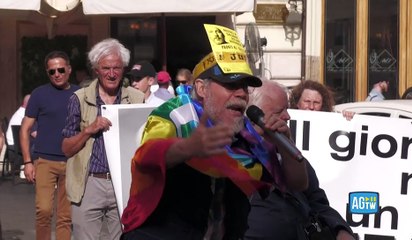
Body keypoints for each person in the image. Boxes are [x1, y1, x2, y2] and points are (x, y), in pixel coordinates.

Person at [120, 51, 308, 240]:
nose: (242, 93)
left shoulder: (247, 135)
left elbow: (298, 183)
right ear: (202, 89)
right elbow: (148, 156)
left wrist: (285, 143)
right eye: (231, 85)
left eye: (244, 87)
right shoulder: (176, 116)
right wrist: (187, 148)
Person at [245, 79, 355, 240]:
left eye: (287, 109)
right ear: (255, 115)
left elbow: (317, 200)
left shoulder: (288, 151)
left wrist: (340, 229)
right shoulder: (235, 151)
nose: (287, 116)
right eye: (279, 111)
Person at [62, 38, 144, 240]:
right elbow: (66, 149)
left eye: (117, 68)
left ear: (123, 69)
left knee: (125, 237)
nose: (112, 73)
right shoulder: (79, 99)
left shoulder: (136, 98)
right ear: (96, 70)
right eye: (106, 68)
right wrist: (89, 130)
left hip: (125, 183)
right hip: (89, 183)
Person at [20, 50, 79, 240]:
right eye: (52, 71)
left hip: (72, 162)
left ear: (69, 69)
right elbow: (25, 129)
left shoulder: (79, 94)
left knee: (65, 216)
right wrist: (28, 162)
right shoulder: (39, 94)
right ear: (48, 73)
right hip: (44, 161)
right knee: (43, 211)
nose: (57, 74)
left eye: (61, 69)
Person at [290, 80, 355, 120]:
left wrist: (347, 118)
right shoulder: (286, 121)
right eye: (307, 101)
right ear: (297, 103)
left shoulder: (332, 122)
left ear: (323, 105)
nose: (311, 107)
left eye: (316, 102)